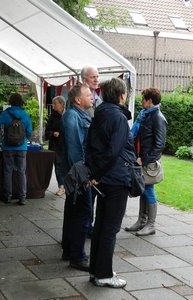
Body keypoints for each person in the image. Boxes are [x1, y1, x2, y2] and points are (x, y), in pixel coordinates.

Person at [85, 77, 136, 288]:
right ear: (122, 95)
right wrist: (100, 172)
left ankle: (97, 270)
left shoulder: (99, 114)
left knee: (100, 226)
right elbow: (114, 151)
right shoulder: (118, 118)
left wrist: (94, 173)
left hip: (104, 177)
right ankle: (104, 275)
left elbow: (89, 145)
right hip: (115, 178)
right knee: (110, 228)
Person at [125, 87, 167, 236]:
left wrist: (144, 159)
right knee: (143, 189)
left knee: (147, 190)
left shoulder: (157, 118)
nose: (141, 101)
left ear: (150, 101)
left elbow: (160, 144)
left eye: (143, 99)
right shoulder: (146, 115)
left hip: (148, 162)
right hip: (141, 159)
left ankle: (151, 225)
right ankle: (142, 222)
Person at [61, 82, 93, 272]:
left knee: (74, 213)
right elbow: (75, 150)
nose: (92, 96)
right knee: (83, 213)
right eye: (88, 94)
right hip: (79, 175)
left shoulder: (79, 115)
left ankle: (69, 250)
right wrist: (84, 177)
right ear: (77, 100)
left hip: (77, 174)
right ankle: (78, 256)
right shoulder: (72, 116)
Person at [0, 93, 32, 205]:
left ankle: (7, 196)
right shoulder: (25, 115)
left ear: (10, 102)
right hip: (22, 147)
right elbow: (29, 132)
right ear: (21, 102)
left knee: (8, 171)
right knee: (22, 172)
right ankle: (22, 197)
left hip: (8, 147)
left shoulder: (6, 114)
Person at [81, 65, 101, 236]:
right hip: (87, 157)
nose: (96, 79)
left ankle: (89, 225)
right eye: (93, 77)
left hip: (96, 155)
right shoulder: (82, 100)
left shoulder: (98, 98)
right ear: (84, 79)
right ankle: (85, 227)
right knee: (85, 199)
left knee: (92, 196)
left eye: (97, 76)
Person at [45, 95, 66, 196]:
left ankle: (67, 185)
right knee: (58, 166)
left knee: (67, 166)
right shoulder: (52, 117)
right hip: (55, 145)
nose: (53, 106)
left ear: (61, 104)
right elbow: (47, 131)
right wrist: (53, 133)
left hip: (66, 145)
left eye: (55, 104)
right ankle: (61, 186)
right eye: (53, 104)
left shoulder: (69, 115)